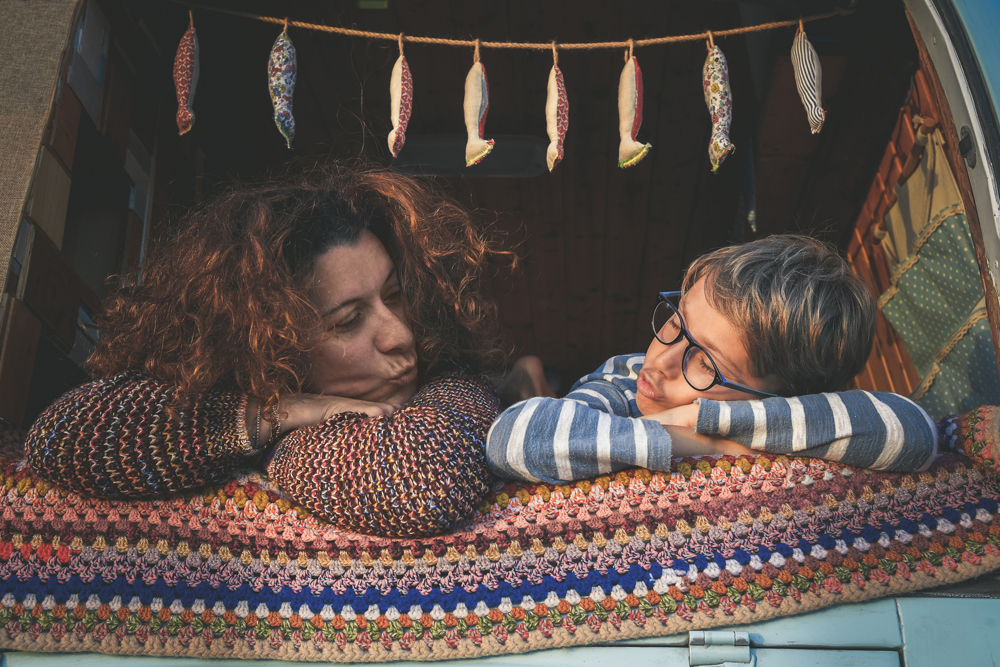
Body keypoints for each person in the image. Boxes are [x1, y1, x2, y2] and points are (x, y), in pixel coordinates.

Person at [25, 162, 508, 538]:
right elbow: (58, 437)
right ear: (270, 342)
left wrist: (286, 444)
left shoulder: (451, 382)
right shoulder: (255, 399)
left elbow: (421, 482)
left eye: (395, 295)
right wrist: (276, 413)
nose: (399, 334)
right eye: (348, 321)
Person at [486, 235, 939, 484]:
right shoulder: (627, 375)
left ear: (773, 397)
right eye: (676, 322)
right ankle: (530, 379)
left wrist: (709, 417)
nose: (661, 358)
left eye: (705, 363)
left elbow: (911, 431)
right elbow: (512, 436)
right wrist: (696, 441)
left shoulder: (785, 414)